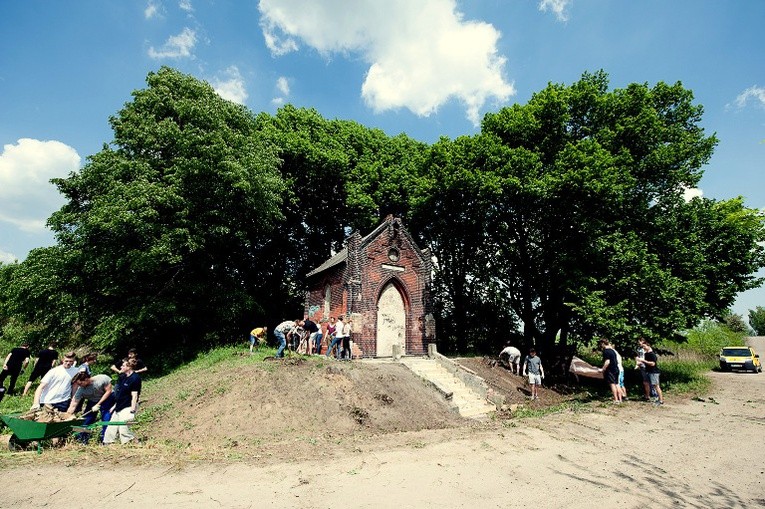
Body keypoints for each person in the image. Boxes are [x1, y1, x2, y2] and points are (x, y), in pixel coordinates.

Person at [67, 371, 114, 443]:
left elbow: (108, 391)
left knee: (106, 420)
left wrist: (98, 404)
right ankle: (83, 440)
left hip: (107, 399)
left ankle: (105, 440)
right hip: (92, 401)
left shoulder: (101, 379)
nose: (80, 386)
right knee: (86, 421)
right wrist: (68, 415)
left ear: (86, 379)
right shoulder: (81, 390)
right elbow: (74, 403)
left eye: (80, 383)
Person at [104, 358, 142, 445]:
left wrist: (132, 410)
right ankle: (108, 443)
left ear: (129, 367)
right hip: (119, 405)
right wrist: (114, 406)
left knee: (124, 428)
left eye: (123, 365)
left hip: (128, 406)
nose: (121, 366)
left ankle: (133, 443)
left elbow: (135, 395)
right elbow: (120, 393)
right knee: (111, 427)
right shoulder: (123, 377)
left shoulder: (135, 378)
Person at [636, 339, 664, 405]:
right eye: (643, 347)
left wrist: (643, 361)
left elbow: (652, 364)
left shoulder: (652, 354)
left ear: (648, 346)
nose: (643, 348)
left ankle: (660, 400)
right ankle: (648, 396)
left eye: (644, 346)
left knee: (656, 386)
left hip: (654, 372)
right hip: (648, 371)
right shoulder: (646, 354)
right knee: (647, 383)